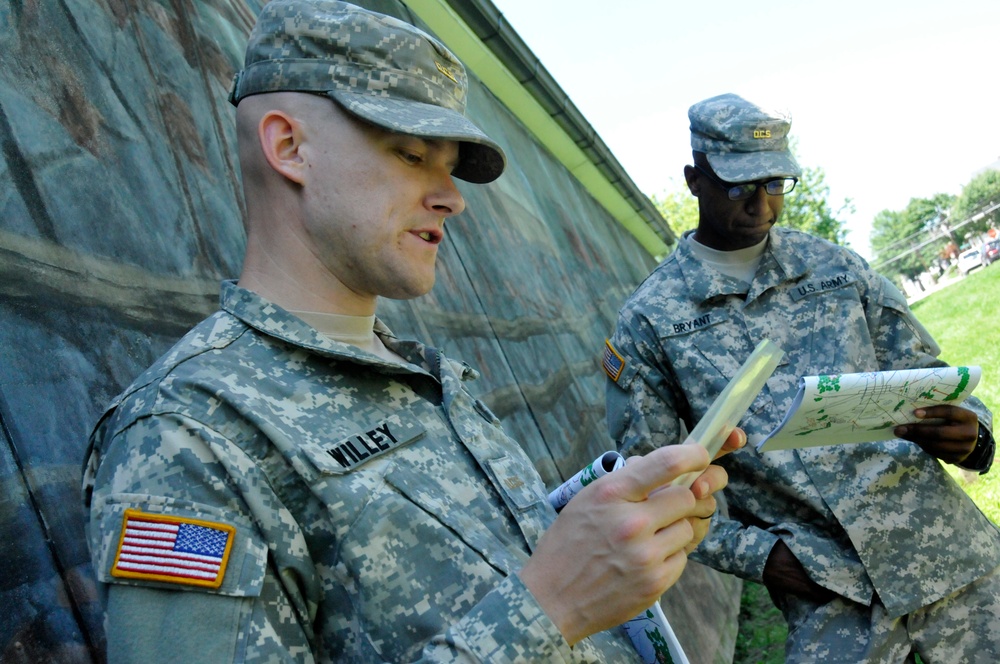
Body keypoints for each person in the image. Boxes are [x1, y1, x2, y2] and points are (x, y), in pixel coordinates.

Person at [82, 2, 741, 662]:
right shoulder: (189, 437)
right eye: (412, 154)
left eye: (449, 166)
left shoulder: (423, 375)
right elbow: (542, 606)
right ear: (289, 147)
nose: (451, 196)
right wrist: (551, 607)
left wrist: (598, 537)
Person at [604, 92, 1000, 662]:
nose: (761, 205)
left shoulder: (837, 268)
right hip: (828, 593)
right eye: (740, 187)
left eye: (775, 185)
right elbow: (658, 487)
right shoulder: (651, 322)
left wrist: (973, 434)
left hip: (948, 559)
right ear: (694, 179)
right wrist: (761, 557)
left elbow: (929, 377)